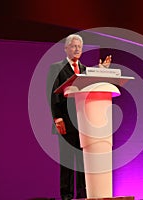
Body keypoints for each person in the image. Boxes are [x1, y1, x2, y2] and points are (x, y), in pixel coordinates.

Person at [47, 34, 111, 200]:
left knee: (83, 163)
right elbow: (51, 94)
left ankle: (83, 195)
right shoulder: (56, 67)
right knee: (67, 161)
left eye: (79, 47)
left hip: (83, 122)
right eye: (74, 46)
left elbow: (91, 88)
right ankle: (67, 196)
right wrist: (57, 118)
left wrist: (101, 71)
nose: (77, 49)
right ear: (66, 48)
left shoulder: (84, 70)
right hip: (65, 122)